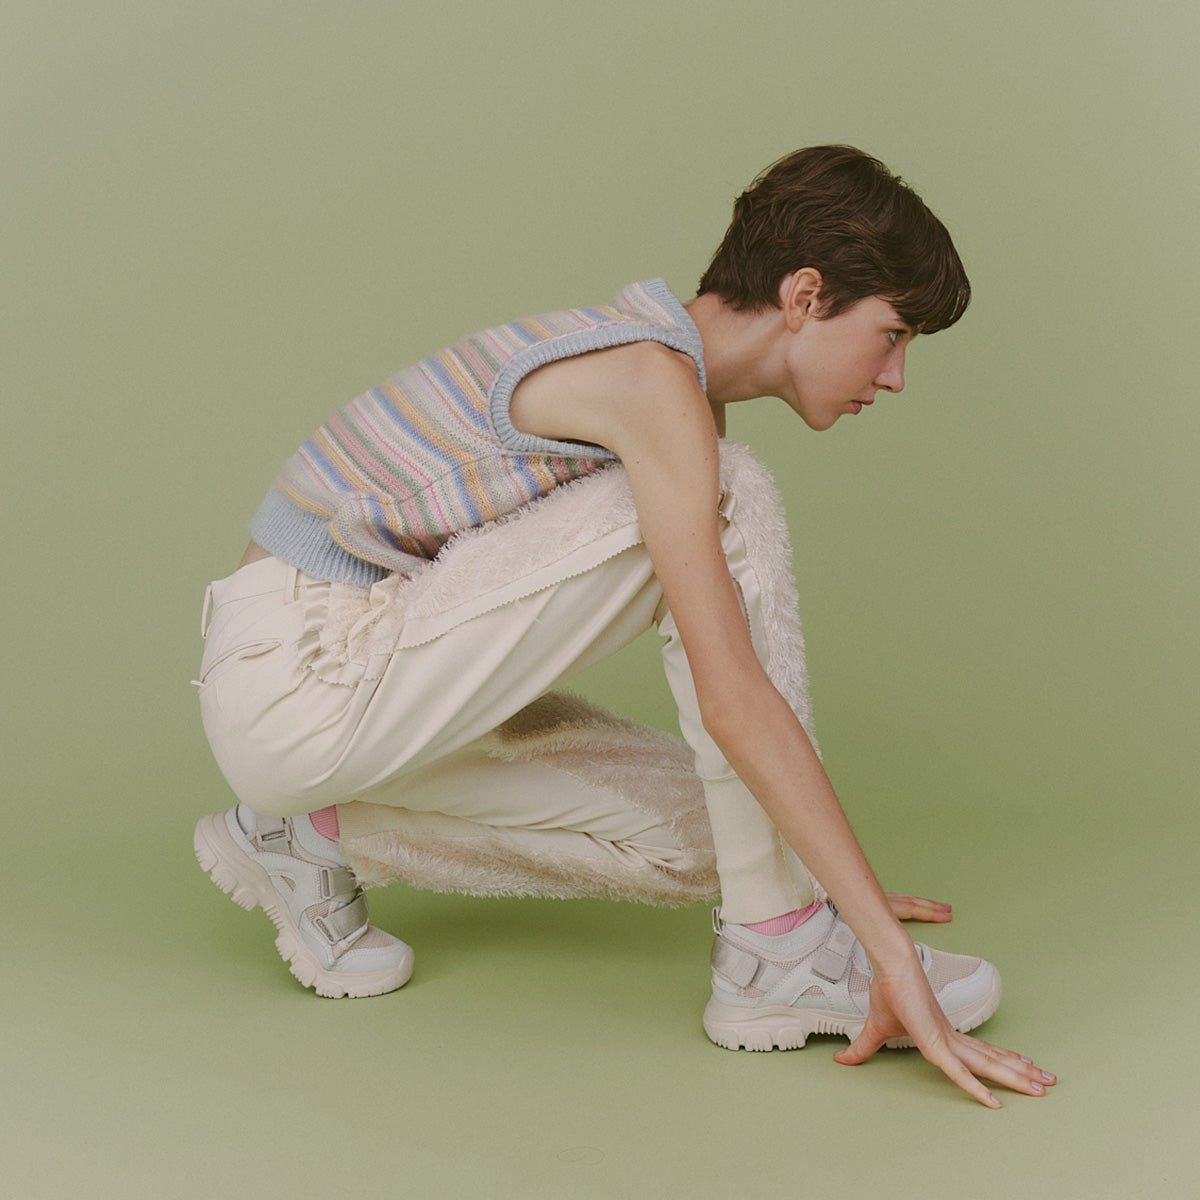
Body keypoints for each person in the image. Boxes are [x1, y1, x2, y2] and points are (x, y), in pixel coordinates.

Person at [192, 145, 1056, 1108]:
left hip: (347, 684)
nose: (894, 377)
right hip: (302, 664)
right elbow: (732, 695)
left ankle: (299, 832)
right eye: (891, 335)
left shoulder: (666, 389)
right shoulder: (649, 382)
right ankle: (780, 952)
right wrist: (888, 953)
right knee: (732, 495)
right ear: (806, 295)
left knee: (724, 845)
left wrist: (825, 878)